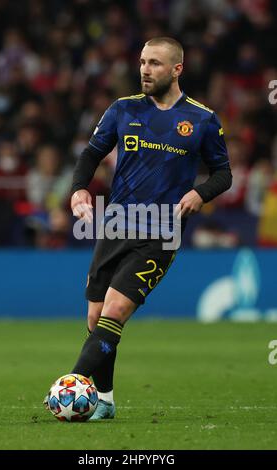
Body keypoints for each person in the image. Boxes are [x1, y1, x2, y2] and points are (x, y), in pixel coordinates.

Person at [45, 37, 232, 419]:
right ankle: (107, 401)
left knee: (115, 310)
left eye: (155, 63)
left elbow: (223, 173)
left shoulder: (202, 119)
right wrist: (79, 190)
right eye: (143, 61)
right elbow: (91, 154)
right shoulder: (122, 109)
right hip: (115, 226)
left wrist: (201, 194)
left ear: (177, 69)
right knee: (96, 318)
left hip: (161, 231)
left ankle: (70, 387)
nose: (145, 69)